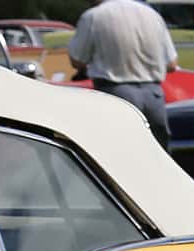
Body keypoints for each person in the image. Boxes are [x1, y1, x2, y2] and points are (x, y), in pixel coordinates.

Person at [68, 0, 178, 149]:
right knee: (157, 154)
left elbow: (77, 60)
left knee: (118, 152)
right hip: (154, 96)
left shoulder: (94, 16)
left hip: (115, 93)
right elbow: (171, 64)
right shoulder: (151, 14)